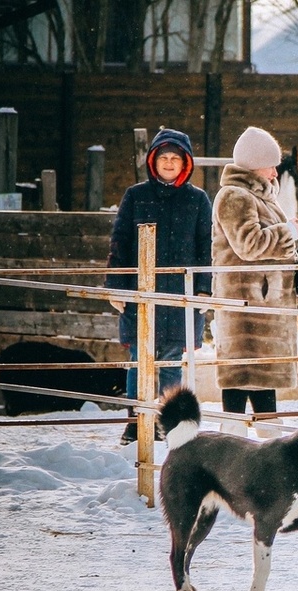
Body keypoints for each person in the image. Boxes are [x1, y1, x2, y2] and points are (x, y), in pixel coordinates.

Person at [106, 127, 212, 445]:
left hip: (179, 294)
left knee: (170, 361)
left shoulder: (197, 199)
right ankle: (135, 422)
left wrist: (204, 289)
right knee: (140, 360)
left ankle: (168, 424)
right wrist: (115, 286)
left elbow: (206, 246)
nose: (168, 163)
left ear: (185, 163)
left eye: (175, 158)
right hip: (140, 292)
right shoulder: (136, 196)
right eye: (163, 157)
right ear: (153, 161)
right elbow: (120, 241)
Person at [211, 126, 298, 433]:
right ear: (255, 165)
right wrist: (289, 232)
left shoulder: (260, 197)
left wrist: (289, 231)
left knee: (260, 374)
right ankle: (235, 435)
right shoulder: (235, 196)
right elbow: (249, 244)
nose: (275, 171)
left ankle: (266, 433)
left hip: (261, 303)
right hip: (246, 304)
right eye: (271, 164)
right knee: (241, 373)